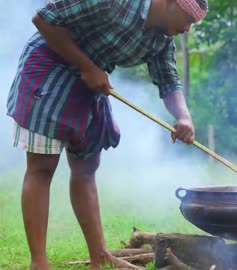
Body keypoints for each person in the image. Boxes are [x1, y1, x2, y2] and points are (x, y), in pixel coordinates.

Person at [6, 0, 208, 269]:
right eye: (187, 20)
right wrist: (86, 66)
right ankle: (39, 262)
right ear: (169, 3)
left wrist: (184, 117)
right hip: (50, 66)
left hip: (91, 82)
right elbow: (44, 19)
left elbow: (169, 81)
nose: (186, 28)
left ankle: (98, 255)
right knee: (42, 168)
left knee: (86, 167)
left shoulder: (160, 40)